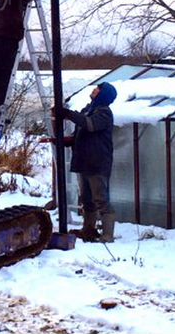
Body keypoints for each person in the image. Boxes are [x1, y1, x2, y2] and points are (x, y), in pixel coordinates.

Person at [62, 81, 117, 243]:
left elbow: (90, 125)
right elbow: (81, 133)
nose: (94, 90)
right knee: (86, 199)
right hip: (85, 161)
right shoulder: (89, 109)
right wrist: (66, 140)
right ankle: (89, 229)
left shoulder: (104, 113)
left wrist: (68, 114)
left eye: (98, 89)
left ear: (103, 95)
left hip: (97, 163)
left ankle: (107, 235)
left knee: (101, 199)